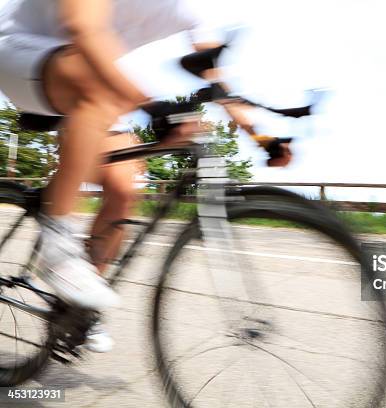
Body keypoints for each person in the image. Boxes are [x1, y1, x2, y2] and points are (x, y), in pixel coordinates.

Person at [0, 0, 291, 352]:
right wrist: (152, 106)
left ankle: (78, 307)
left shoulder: (189, 12)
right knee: (99, 89)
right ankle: (57, 247)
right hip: (18, 48)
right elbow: (84, 29)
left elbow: (218, 85)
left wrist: (262, 138)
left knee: (124, 188)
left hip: (80, 68)